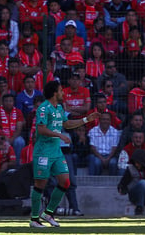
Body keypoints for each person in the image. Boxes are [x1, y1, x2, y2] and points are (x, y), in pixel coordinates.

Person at [29, 81, 100, 228]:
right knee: (40, 185)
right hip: (43, 152)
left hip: (56, 152)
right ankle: (34, 219)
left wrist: (86, 119)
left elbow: (66, 124)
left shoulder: (60, 108)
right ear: (55, 93)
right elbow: (41, 129)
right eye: (61, 91)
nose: (63, 93)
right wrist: (59, 136)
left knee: (65, 182)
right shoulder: (43, 108)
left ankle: (48, 213)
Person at [87, 112, 120, 176]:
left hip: (110, 156)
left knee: (113, 163)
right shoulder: (93, 131)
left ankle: (112, 183)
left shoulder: (115, 131)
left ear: (110, 121)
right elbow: (93, 147)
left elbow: (114, 147)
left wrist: (108, 158)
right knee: (97, 163)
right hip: (98, 155)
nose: (105, 121)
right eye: (103, 119)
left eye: (107, 119)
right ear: (99, 120)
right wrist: (102, 159)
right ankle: (96, 182)